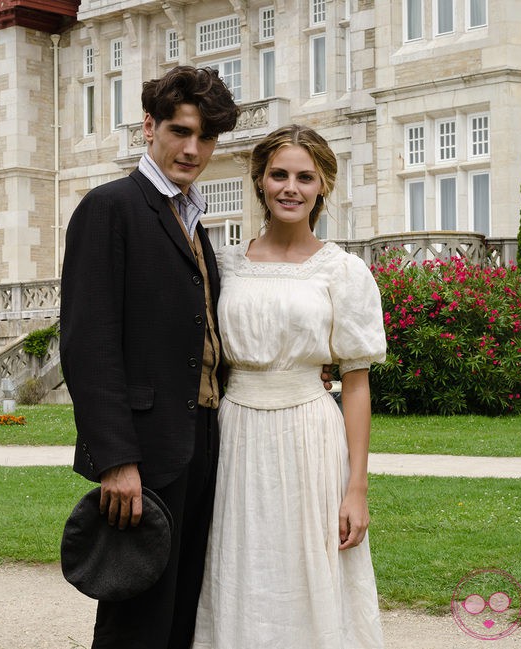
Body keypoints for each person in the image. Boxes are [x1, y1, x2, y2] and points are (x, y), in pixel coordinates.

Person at [59, 66, 239, 649]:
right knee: (136, 620)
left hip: (201, 437)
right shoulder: (110, 207)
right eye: (181, 131)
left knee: (185, 611)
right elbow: (88, 344)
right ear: (148, 127)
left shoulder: (191, 219)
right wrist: (116, 460)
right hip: (144, 449)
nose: (193, 149)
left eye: (206, 137)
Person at [192, 124, 387, 648]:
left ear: (322, 185)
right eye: (279, 174)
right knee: (238, 563)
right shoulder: (225, 264)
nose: (290, 187)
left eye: (305, 176)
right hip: (233, 436)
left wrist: (357, 487)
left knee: (310, 569)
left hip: (310, 436)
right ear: (259, 181)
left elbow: (356, 382)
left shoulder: (342, 272)